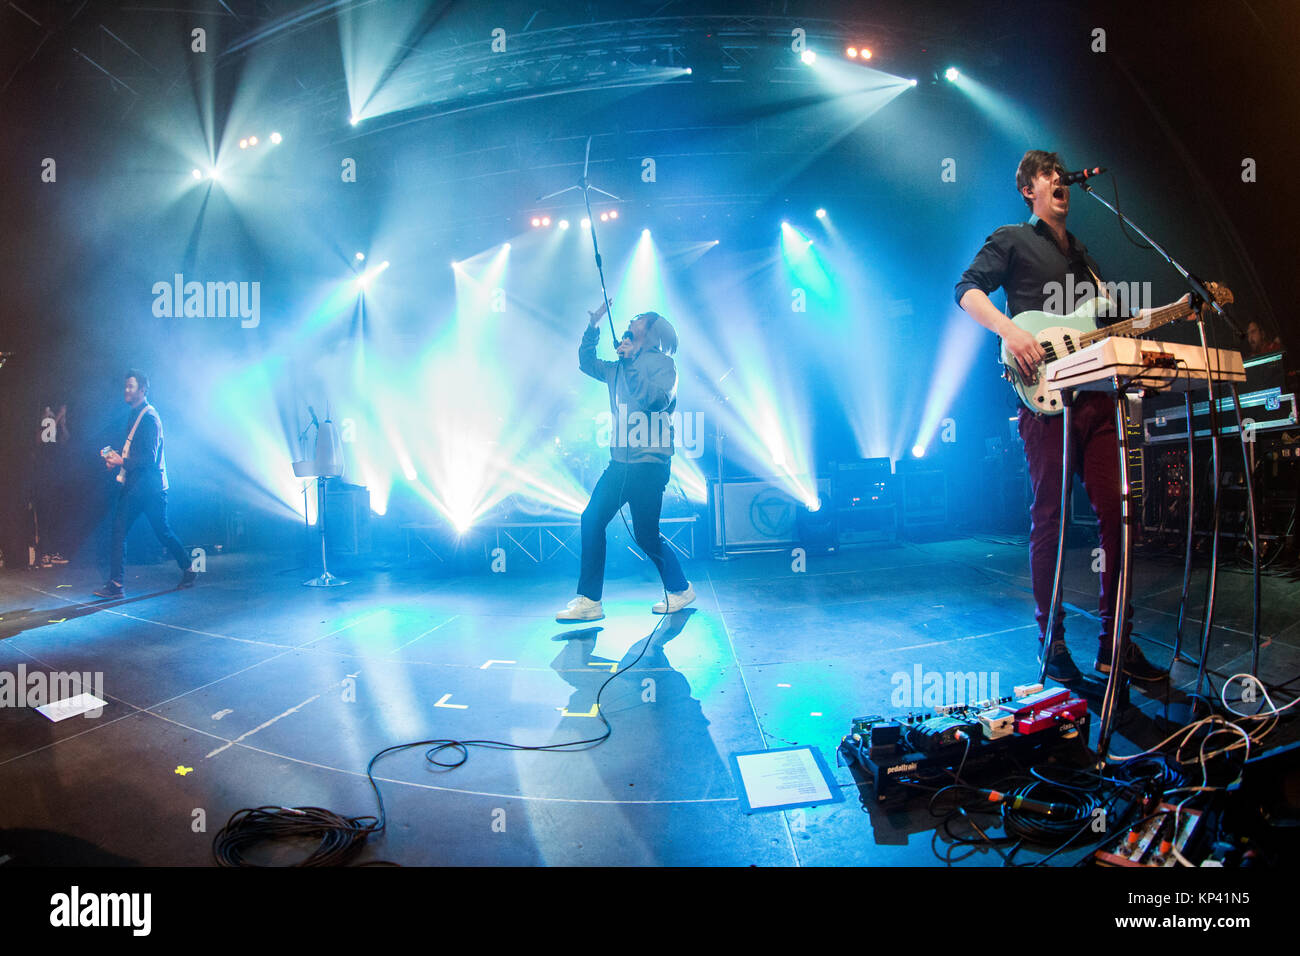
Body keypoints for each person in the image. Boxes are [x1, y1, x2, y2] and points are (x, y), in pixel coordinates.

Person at [955, 149, 1171, 684]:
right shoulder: (1012, 238)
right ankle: (1051, 641)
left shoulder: (1087, 262)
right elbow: (966, 290)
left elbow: (1115, 326)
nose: (1061, 182)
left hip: (1099, 400)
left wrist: (1160, 325)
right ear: (1029, 189)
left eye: (1062, 175)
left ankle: (1115, 642)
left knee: (1120, 515)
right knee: (1049, 517)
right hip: (1047, 402)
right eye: (1049, 175)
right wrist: (1011, 331)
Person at [556, 306, 694, 622]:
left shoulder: (663, 365)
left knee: (646, 534)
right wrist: (593, 326)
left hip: (649, 464)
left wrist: (630, 362)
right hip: (620, 463)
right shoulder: (618, 366)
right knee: (591, 519)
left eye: (638, 321)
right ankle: (590, 601)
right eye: (630, 321)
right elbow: (586, 362)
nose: (631, 323)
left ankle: (680, 589)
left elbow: (656, 401)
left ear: (651, 332)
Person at [95, 370, 196, 598]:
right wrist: (118, 462)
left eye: (130, 386)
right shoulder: (135, 414)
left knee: (162, 532)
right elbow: (135, 453)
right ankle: (116, 584)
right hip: (136, 486)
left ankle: (188, 570)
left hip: (149, 489)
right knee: (122, 532)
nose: (126, 390)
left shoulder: (149, 418)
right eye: (125, 386)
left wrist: (123, 461)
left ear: (142, 389)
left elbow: (149, 458)